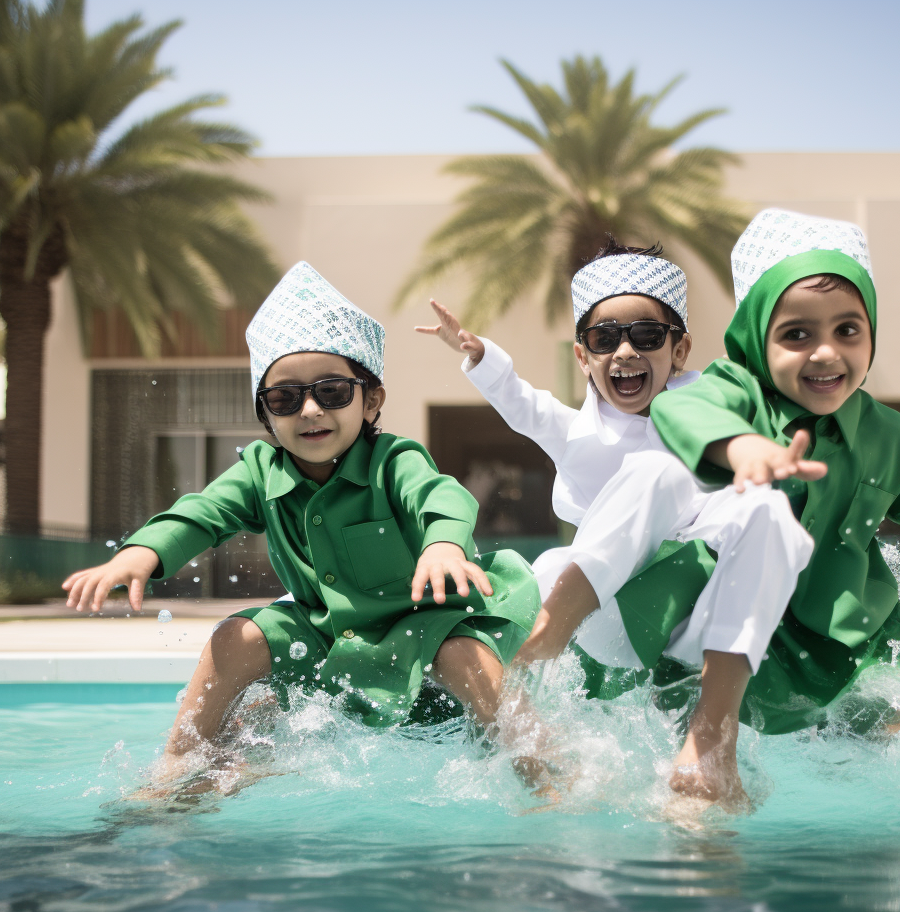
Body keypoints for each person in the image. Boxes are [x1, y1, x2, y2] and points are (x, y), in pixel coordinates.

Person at [63, 262, 545, 793]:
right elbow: (204, 511)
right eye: (285, 398)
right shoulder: (259, 472)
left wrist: (444, 544)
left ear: (372, 401)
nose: (310, 409)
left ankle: (542, 772)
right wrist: (141, 554)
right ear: (267, 417)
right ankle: (179, 763)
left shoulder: (392, 461)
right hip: (327, 633)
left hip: (430, 623)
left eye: (333, 392)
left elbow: (440, 493)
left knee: (464, 658)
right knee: (237, 636)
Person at [418, 240, 813, 806]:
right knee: (554, 564)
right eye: (606, 339)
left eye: (646, 336)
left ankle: (704, 776)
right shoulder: (578, 431)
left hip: (698, 606)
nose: (625, 351)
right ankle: (532, 703)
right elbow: (522, 403)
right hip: (604, 609)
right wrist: (481, 357)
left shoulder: (715, 406)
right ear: (584, 357)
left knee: (757, 509)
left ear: (679, 350)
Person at [642, 207, 900, 737]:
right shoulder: (739, 394)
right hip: (734, 631)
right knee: (684, 725)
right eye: (796, 334)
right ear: (755, 340)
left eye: (848, 329)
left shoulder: (892, 439)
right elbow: (681, 408)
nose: (827, 351)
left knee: (880, 751)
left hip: (851, 646)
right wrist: (739, 445)